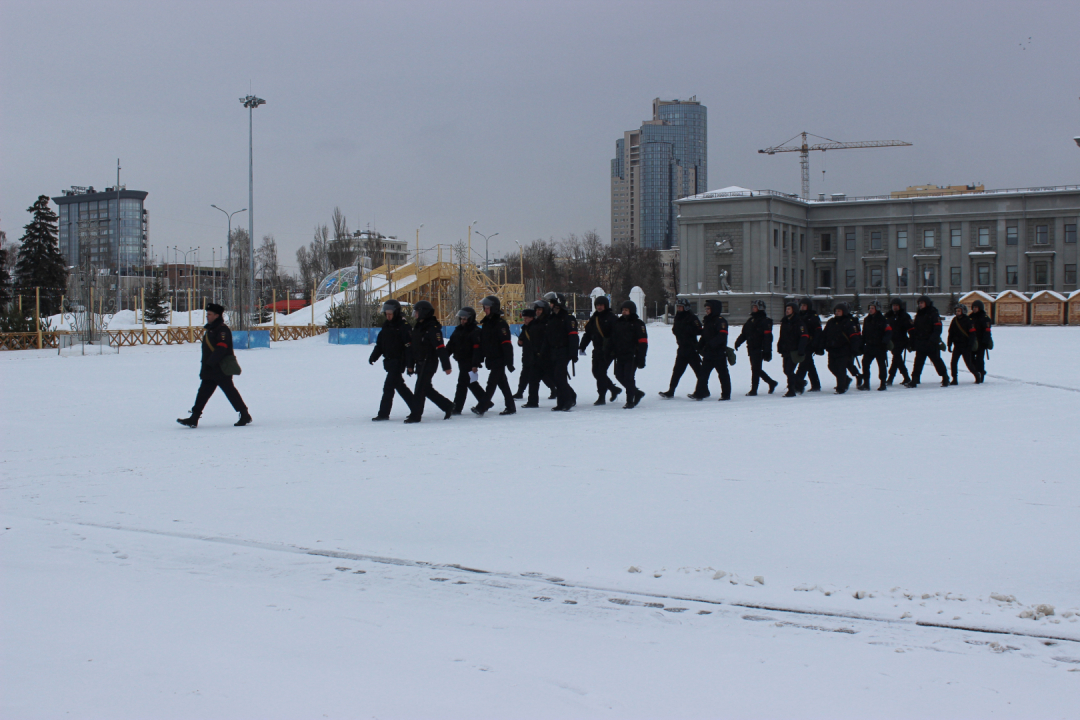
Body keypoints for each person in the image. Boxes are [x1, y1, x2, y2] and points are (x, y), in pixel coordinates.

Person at [177, 303, 251, 428]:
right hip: (211, 368)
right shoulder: (212, 329)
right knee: (203, 393)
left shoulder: (222, 330)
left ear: (217, 315)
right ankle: (194, 418)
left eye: (210, 314)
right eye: (207, 314)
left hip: (220, 368)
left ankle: (244, 414)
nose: (207, 316)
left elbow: (221, 348)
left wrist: (210, 363)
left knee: (229, 391)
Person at [405, 300, 454, 423]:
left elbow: (440, 348)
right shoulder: (418, 327)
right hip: (419, 362)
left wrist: (446, 366)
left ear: (423, 313)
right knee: (426, 389)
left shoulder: (433, 328)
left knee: (420, 389)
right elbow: (413, 348)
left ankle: (415, 416)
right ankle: (447, 405)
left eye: (416, 312)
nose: (415, 314)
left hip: (429, 362)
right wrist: (410, 365)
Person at [368, 299, 415, 421]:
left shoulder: (403, 327)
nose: (388, 317)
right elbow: (380, 345)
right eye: (386, 314)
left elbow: (409, 347)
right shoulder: (386, 326)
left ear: (396, 313)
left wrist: (410, 365)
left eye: (390, 314)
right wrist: (374, 356)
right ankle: (416, 407)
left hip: (399, 361)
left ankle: (383, 413)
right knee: (400, 386)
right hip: (389, 361)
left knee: (388, 387)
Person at [473, 295, 516, 416]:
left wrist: (509, 362)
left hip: (499, 358)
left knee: (491, 384)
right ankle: (511, 406)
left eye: (487, 307)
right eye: (484, 307)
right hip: (491, 358)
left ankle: (482, 406)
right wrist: (479, 360)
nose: (485, 310)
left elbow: (506, 344)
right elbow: (483, 344)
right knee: (503, 383)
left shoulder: (500, 324)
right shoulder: (487, 324)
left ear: (493, 308)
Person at [578, 295, 622, 405]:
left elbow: (617, 335)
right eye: (597, 305)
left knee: (601, 373)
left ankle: (601, 396)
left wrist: (614, 349)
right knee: (596, 372)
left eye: (601, 305)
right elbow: (588, 334)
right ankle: (613, 389)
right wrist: (582, 346)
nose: (599, 307)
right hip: (597, 350)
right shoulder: (594, 318)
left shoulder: (612, 318)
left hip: (608, 351)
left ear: (606, 306)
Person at [659, 298, 703, 399]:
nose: (679, 308)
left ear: (686, 307)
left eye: (681, 307)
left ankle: (702, 390)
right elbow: (675, 329)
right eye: (678, 307)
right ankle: (671, 391)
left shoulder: (692, 318)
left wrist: (688, 331)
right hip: (682, 348)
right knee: (677, 371)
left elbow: (700, 330)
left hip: (692, 349)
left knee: (699, 371)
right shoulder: (678, 317)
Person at [542, 292, 579, 411]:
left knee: (560, 376)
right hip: (553, 351)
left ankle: (567, 400)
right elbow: (548, 337)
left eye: (552, 303)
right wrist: (544, 352)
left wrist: (573, 353)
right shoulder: (552, 318)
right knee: (555, 376)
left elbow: (573, 336)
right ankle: (561, 401)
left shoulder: (568, 318)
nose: (550, 305)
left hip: (564, 351)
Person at [445, 306, 485, 414]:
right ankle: (485, 401)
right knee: (471, 383)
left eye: (465, 319)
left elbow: (477, 350)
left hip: (469, 361)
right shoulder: (458, 330)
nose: (462, 321)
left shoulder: (475, 331)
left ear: (470, 319)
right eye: (461, 318)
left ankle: (457, 407)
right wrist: (444, 356)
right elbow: (451, 345)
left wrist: (475, 364)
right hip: (461, 360)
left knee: (462, 384)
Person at [734, 300, 778, 395]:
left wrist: (767, 350)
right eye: (753, 307)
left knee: (755, 369)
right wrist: (738, 342)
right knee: (756, 369)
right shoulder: (750, 321)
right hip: (751, 347)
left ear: (760, 308)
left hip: (760, 348)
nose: (753, 309)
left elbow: (768, 337)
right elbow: (744, 334)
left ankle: (754, 389)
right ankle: (771, 382)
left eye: (755, 307)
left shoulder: (765, 321)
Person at [690, 298, 731, 401]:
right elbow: (704, 336)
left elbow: (722, 336)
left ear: (714, 309)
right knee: (703, 374)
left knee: (723, 375)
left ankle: (726, 394)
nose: (707, 310)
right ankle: (699, 393)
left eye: (708, 308)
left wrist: (711, 344)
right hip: (708, 353)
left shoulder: (721, 321)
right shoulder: (708, 320)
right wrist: (699, 346)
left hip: (719, 353)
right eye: (706, 308)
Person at [906, 295, 950, 388]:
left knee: (937, 361)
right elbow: (916, 329)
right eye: (919, 303)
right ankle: (914, 379)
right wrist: (913, 341)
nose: (920, 305)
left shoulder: (933, 313)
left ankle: (945, 377)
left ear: (927, 303)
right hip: (921, 342)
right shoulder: (919, 314)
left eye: (922, 303)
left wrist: (932, 340)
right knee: (918, 362)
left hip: (931, 343)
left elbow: (938, 328)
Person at [611, 300, 648, 408]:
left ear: (631, 311)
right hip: (620, 354)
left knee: (628, 377)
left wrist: (641, 358)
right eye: (623, 310)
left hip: (632, 355)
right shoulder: (619, 322)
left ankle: (630, 400)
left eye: (626, 310)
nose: (624, 312)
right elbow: (614, 338)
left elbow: (643, 342)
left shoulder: (638, 324)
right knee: (618, 375)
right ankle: (636, 393)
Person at [822, 302, 862, 394]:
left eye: (839, 311)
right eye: (836, 311)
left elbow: (854, 336)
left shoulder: (848, 322)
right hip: (832, 348)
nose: (837, 312)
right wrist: (822, 344)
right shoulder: (831, 322)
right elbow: (825, 334)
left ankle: (841, 387)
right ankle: (845, 380)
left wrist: (855, 348)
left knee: (841, 368)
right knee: (831, 366)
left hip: (844, 349)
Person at [776, 301, 810, 397]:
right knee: (786, 370)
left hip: (794, 350)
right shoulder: (785, 321)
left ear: (794, 310)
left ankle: (791, 390)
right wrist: (780, 345)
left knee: (789, 370)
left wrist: (801, 349)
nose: (787, 311)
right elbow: (782, 336)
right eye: (786, 309)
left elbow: (804, 336)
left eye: (789, 309)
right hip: (786, 349)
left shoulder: (799, 322)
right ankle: (799, 382)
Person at [859, 301, 892, 391]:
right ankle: (866, 383)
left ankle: (883, 383)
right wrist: (862, 344)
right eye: (870, 308)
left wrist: (884, 342)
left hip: (880, 346)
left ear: (877, 309)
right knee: (865, 363)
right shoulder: (867, 320)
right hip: (869, 346)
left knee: (881, 365)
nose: (871, 310)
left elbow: (888, 332)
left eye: (872, 308)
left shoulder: (883, 319)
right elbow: (864, 333)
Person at [525, 299, 553, 407]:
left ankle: (570, 396)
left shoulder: (549, 322)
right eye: (536, 310)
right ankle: (532, 401)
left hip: (547, 356)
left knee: (555, 379)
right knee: (533, 379)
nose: (537, 312)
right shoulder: (536, 322)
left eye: (540, 310)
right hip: (536, 355)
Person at [795, 297, 823, 392]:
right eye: (801, 305)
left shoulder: (813, 316)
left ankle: (797, 384)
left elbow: (818, 331)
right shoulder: (798, 316)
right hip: (801, 343)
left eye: (804, 305)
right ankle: (816, 384)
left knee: (803, 364)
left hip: (809, 343)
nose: (802, 307)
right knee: (809, 365)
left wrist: (815, 343)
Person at [947, 304, 978, 385]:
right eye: (956, 311)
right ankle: (954, 378)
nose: (957, 313)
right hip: (957, 346)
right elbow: (951, 333)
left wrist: (970, 345)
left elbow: (972, 334)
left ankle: (976, 375)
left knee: (968, 363)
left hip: (966, 346)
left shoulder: (968, 320)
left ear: (963, 311)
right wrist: (949, 344)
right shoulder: (954, 320)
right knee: (953, 362)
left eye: (959, 311)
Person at [885, 298, 912, 386]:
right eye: (893, 305)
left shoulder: (905, 316)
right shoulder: (888, 316)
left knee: (896, 357)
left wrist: (911, 341)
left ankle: (890, 378)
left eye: (896, 305)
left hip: (901, 340)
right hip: (891, 341)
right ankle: (906, 377)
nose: (895, 307)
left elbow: (911, 329)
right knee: (898, 359)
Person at [513, 307, 536, 400]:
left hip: (535, 356)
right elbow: (522, 340)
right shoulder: (525, 328)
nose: (525, 320)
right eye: (524, 318)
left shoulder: (535, 327)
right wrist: (520, 342)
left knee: (543, 375)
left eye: (527, 318)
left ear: (532, 318)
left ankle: (554, 389)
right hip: (527, 356)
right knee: (524, 375)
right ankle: (520, 392)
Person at [969, 299, 992, 383]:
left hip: (981, 342)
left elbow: (987, 331)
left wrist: (985, 342)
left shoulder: (985, 318)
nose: (974, 309)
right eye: (973, 307)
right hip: (972, 341)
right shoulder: (970, 317)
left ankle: (981, 373)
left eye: (976, 307)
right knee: (970, 359)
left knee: (979, 360)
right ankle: (978, 371)